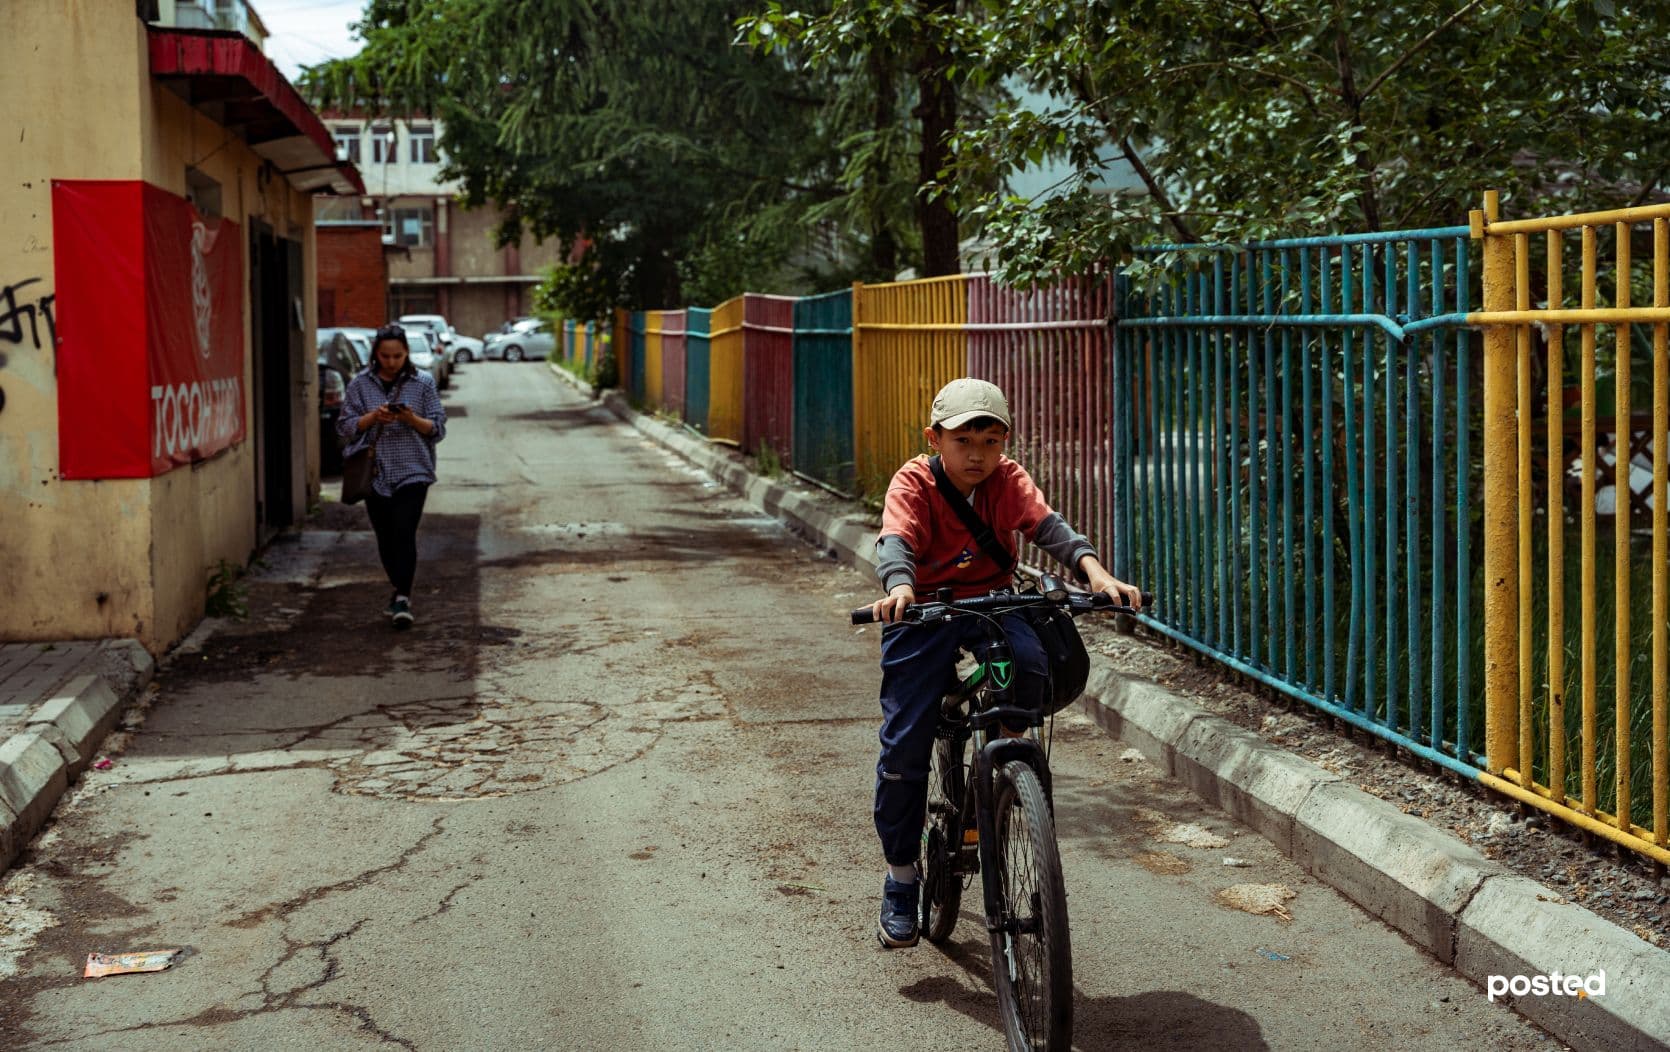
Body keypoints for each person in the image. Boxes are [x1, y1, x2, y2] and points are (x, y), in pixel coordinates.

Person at [865, 377, 1143, 948]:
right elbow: (896, 539)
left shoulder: (1007, 479)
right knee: (903, 750)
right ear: (934, 438)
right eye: (964, 439)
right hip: (923, 611)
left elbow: (1047, 527)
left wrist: (1095, 572)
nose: (978, 454)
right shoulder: (915, 481)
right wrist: (899, 585)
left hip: (994, 600)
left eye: (991, 440)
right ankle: (900, 878)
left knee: (1031, 661)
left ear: (1005, 442)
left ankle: (1005, 772)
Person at [337, 323, 447, 629]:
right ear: (376, 354)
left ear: (406, 354)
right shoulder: (359, 385)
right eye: (385, 356)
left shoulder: (422, 383)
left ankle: (402, 596)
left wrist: (411, 418)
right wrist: (374, 417)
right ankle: (398, 589)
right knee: (385, 536)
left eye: (397, 356)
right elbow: (344, 427)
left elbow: (438, 428)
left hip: (414, 470)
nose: (391, 362)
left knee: (404, 530)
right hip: (374, 473)